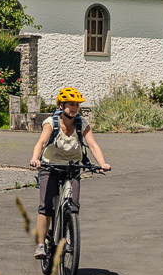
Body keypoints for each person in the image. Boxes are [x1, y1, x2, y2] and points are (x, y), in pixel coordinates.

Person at [30, 87, 111, 257]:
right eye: (70, 104)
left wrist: (102, 163)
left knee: (73, 205)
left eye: (77, 105)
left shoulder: (82, 124)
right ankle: (40, 245)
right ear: (61, 105)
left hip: (73, 166)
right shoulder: (51, 123)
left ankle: (68, 233)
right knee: (46, 208)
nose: (74, 108)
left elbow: (93, 145)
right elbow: (41, 142)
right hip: (50, 166)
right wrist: (36, 158)